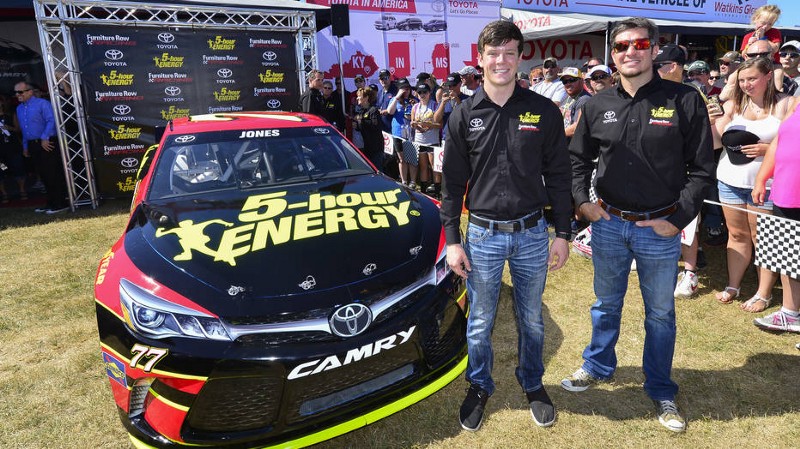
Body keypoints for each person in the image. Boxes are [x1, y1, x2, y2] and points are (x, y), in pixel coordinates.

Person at [566, 17, 714, 433]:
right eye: (621, 46)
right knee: (605, 304)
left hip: (659, 228)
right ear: (612, 55)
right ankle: (597, 366)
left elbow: (702, 169)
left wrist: (677, 220)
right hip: (609, 225)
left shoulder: (684, 99)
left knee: (661, 314)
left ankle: (661, 387)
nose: (630, 51)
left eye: (639, 43)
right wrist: (583, 203)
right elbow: (577, 161)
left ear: (653, 48)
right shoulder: (596, 104)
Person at [440, 20, 572, 432]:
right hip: (480, 235)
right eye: (493, 53)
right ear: (480, 59)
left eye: (510, 52)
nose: (501, 60)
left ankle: (532, 382)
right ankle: (479, 385)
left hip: (533, 234)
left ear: (519, 57)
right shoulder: (463, 115)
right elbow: (451, 186)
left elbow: (561, 177)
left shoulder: (543, 111)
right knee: (479, 319)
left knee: (531, 317)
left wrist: (564, 234)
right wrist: (453, 242)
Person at [710, 56, 792, 312]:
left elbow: (792, 145)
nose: (747, 84)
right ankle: (734, 285)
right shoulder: (734, 105)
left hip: (767, 184)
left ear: (769, 76)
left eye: (752, 79)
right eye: (742, 80)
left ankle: (763, 294)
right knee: (736, 235)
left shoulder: (786, 104)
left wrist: (769, 149)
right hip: (729, 180)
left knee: (764, 239)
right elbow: (714, 143)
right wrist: (712, 120)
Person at [752, 98, 800, 333]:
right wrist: (762, 178)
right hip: (786, 190)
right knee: (789, 255)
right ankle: (790, 313)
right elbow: (778, 141)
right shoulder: (798, 101)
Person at [15, 81, 69, 214]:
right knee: (43, 175)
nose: (17, 95)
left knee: (52, 173)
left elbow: (52, 120)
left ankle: (60, 203)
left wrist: (45, 137)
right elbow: (24, 129)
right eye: (16, 92)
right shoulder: (19, 109)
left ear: (30, 91)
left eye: (20, 92)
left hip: (47, 142)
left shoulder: (42, 104)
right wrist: (25, 146)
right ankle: (50, 202)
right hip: (33, 145)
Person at [431, 72, 469, 198]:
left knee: (461, 168)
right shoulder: (444, 99)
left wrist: (457, 101)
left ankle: (462, 194)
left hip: (462, 139)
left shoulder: (466, 99)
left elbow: (466, 117)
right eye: (449, 86)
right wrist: (442, 103)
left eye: (453, 85)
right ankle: (446, 192)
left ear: (460, 84)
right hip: (446, 138)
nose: (451, 88)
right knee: (446, 167)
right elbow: (436, 120)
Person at [386, 78, 417, 187]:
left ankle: (413, 181)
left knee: (412, 158)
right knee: (402, 159)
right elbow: (390, 111)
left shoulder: (414, 100)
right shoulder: (394, 99)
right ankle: (404, 181)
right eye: (403, 88)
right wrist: (397, 97)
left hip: (411, 133)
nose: (406, 91)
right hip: (398, 132)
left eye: (408, 88)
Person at [410, 83, 440, 193]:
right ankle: (423, 191)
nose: (422, 95)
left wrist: (428, 126)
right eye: (420, 92)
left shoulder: (435, 105)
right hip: (419, 140)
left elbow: (439, 124)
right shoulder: (415, 107)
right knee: (422, 167)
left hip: (432, 140)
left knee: (434, 167)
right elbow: (412, 122)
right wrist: (416, 125)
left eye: (425, 92)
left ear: (429, 93)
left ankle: (437, 191)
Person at [0, 98, 27, 203]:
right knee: (2, 169)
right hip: (1, 152)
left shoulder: (11, 115)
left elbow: (19, 129)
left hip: (13, 148)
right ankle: (4, 193)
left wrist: (9, 128)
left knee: (18, 167)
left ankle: (22, 189)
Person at [353, 86, 384, 171]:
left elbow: (375, 125)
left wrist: (361, 121)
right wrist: (357, 126)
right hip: (367, 147)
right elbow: (362, 127)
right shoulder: (362, 111)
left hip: (376, 148)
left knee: (377, 170)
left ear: (366, 98)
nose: (357, 98)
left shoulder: (373, 110)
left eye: (359, 96)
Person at [558, 67, 590, 141]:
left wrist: (555, 135)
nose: (568, 84)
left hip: (576, 148)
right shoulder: (567, 97)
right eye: (565, 81)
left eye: (572, 80)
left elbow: (577, 128)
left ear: (582, 81)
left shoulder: (584, 99)